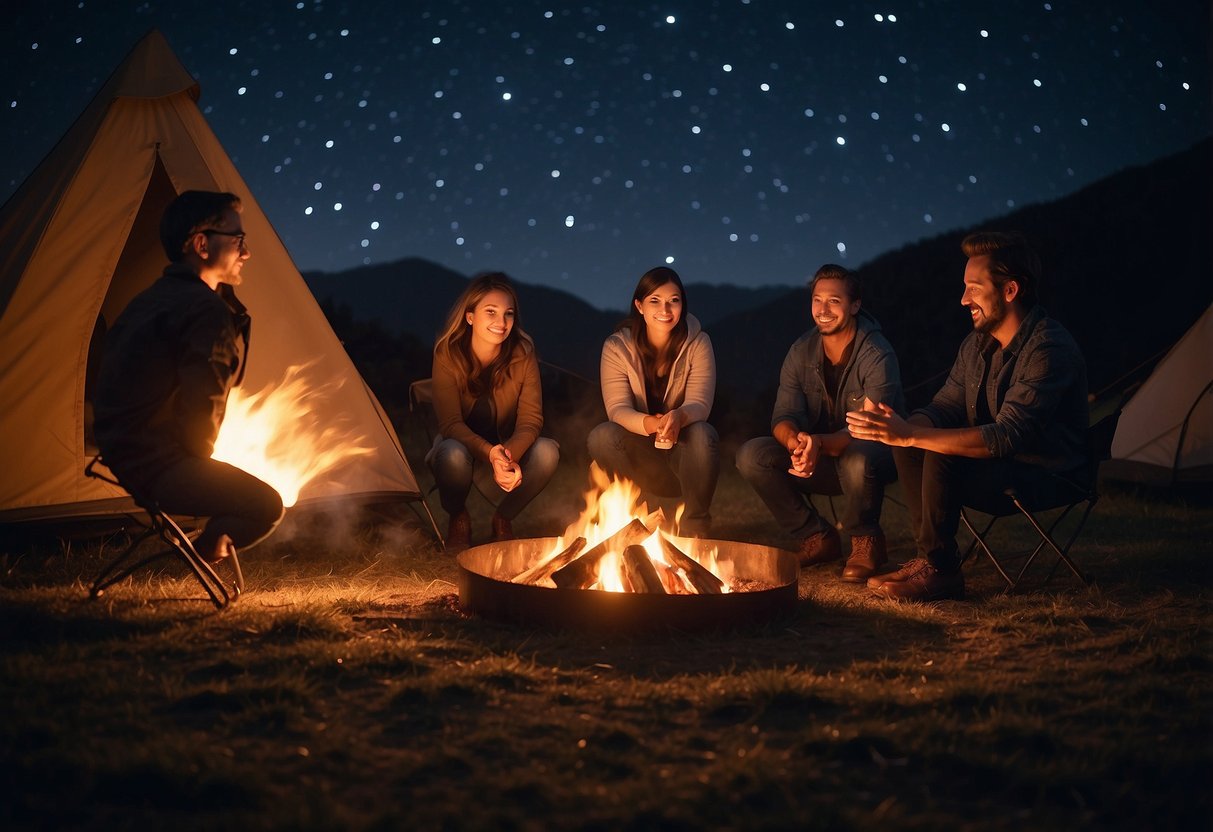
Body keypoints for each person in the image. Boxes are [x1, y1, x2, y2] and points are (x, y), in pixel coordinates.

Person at [847, 231, 1088, 601]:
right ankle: (927, 557)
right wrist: (900, 429)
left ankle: (942, 572)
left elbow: (1008, 435)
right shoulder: (978, 345)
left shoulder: (1048, 347)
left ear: (1010, 290)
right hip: (1000, 467)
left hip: (1046, 473)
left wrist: (911, 435)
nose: (963, 300)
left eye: (974, 288)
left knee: (936, 447)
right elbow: (945, 406)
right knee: (912, 441)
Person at [93, 190, 284, 564]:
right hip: (160, 465)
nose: (246, 253)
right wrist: (201, 459)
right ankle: (201, 550)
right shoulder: (204, 309)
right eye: (238, 240)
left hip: (120, 454)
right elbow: (204, 396)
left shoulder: (150, 299)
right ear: (201, 243)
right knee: (267, 505)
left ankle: (201, 546)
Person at [737, 264, 904, 581]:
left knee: (858, 456)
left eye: (835, 301)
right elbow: (783, 416)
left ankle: (865, 540)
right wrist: (796, 443)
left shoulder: (877, 354)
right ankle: (816, 536)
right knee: (752, 455)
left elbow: (868, 427)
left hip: (877, 456)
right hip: (821, 458)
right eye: (817, 300)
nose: (823, 310)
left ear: (855, 306)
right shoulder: (801, 351)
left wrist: (820, 444)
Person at [429, 273, 560, 551]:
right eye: (491, 312)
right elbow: (450, 424)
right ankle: (458, 516)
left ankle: (503, 518)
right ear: (470, 317)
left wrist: (507, 455)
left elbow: (531, 420)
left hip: (505, 448)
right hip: (462, 448)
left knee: (548, 451)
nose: (501, 323)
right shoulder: (447, 354)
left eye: (508, 314)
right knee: (452, 452)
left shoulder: (522, 353)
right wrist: (490, 452)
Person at [587, 266, 718, 536]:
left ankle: (695, 528)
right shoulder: (616, 347)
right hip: (641, 451)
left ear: (683, 305)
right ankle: (635, 520)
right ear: (639, 305)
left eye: (674, 301)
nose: (666, 310)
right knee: (602, 436)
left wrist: (678, 417)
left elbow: (700, 404)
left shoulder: (699, 343)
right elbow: (617, 409)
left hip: (683, 451)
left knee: (704, 433)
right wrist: (650, 423)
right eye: (655, 301)